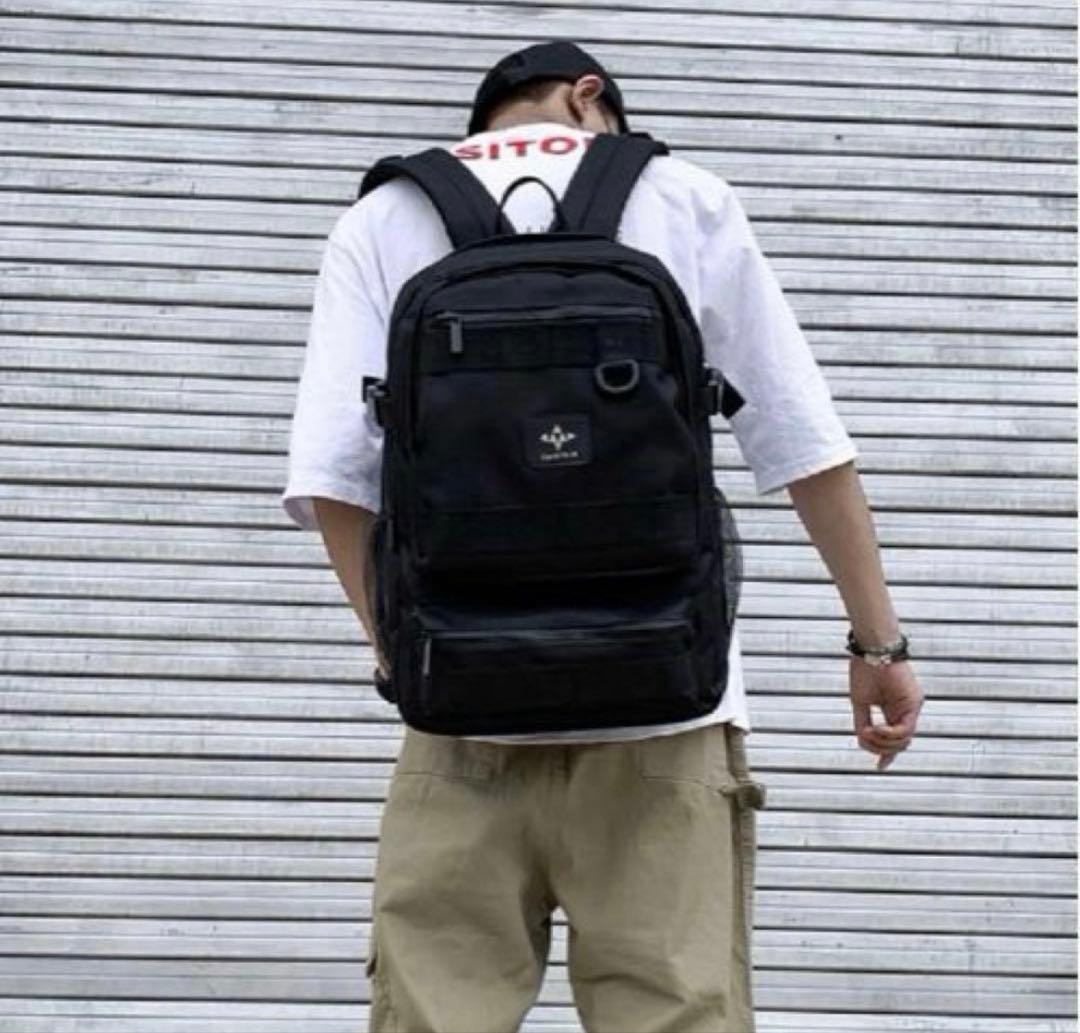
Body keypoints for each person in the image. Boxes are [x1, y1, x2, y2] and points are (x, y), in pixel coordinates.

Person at [281, 40, 925, 1033]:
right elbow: (807, 446)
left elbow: (333, 480)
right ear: (589, 99)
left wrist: (399, 650)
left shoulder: (384, 218)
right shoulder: (686, 198)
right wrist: (878, 646)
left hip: (463, 719)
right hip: (665, 711)